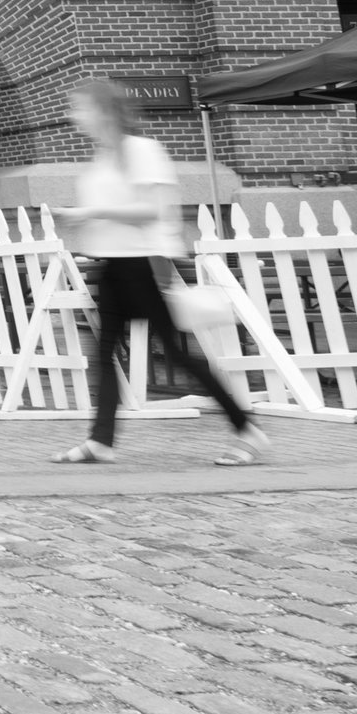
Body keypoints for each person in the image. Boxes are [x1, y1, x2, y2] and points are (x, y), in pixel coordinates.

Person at [51, 76, 264, 467]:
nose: (72, 116)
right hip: (112, 264)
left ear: (102, 111)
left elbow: (152, 211)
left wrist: (88, 213)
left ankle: (247, 428)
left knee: (177, 355)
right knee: (104, 353)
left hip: (145, 264)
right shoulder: (103, 157)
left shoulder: (143, 151)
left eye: (78, 107)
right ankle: (100, 440)